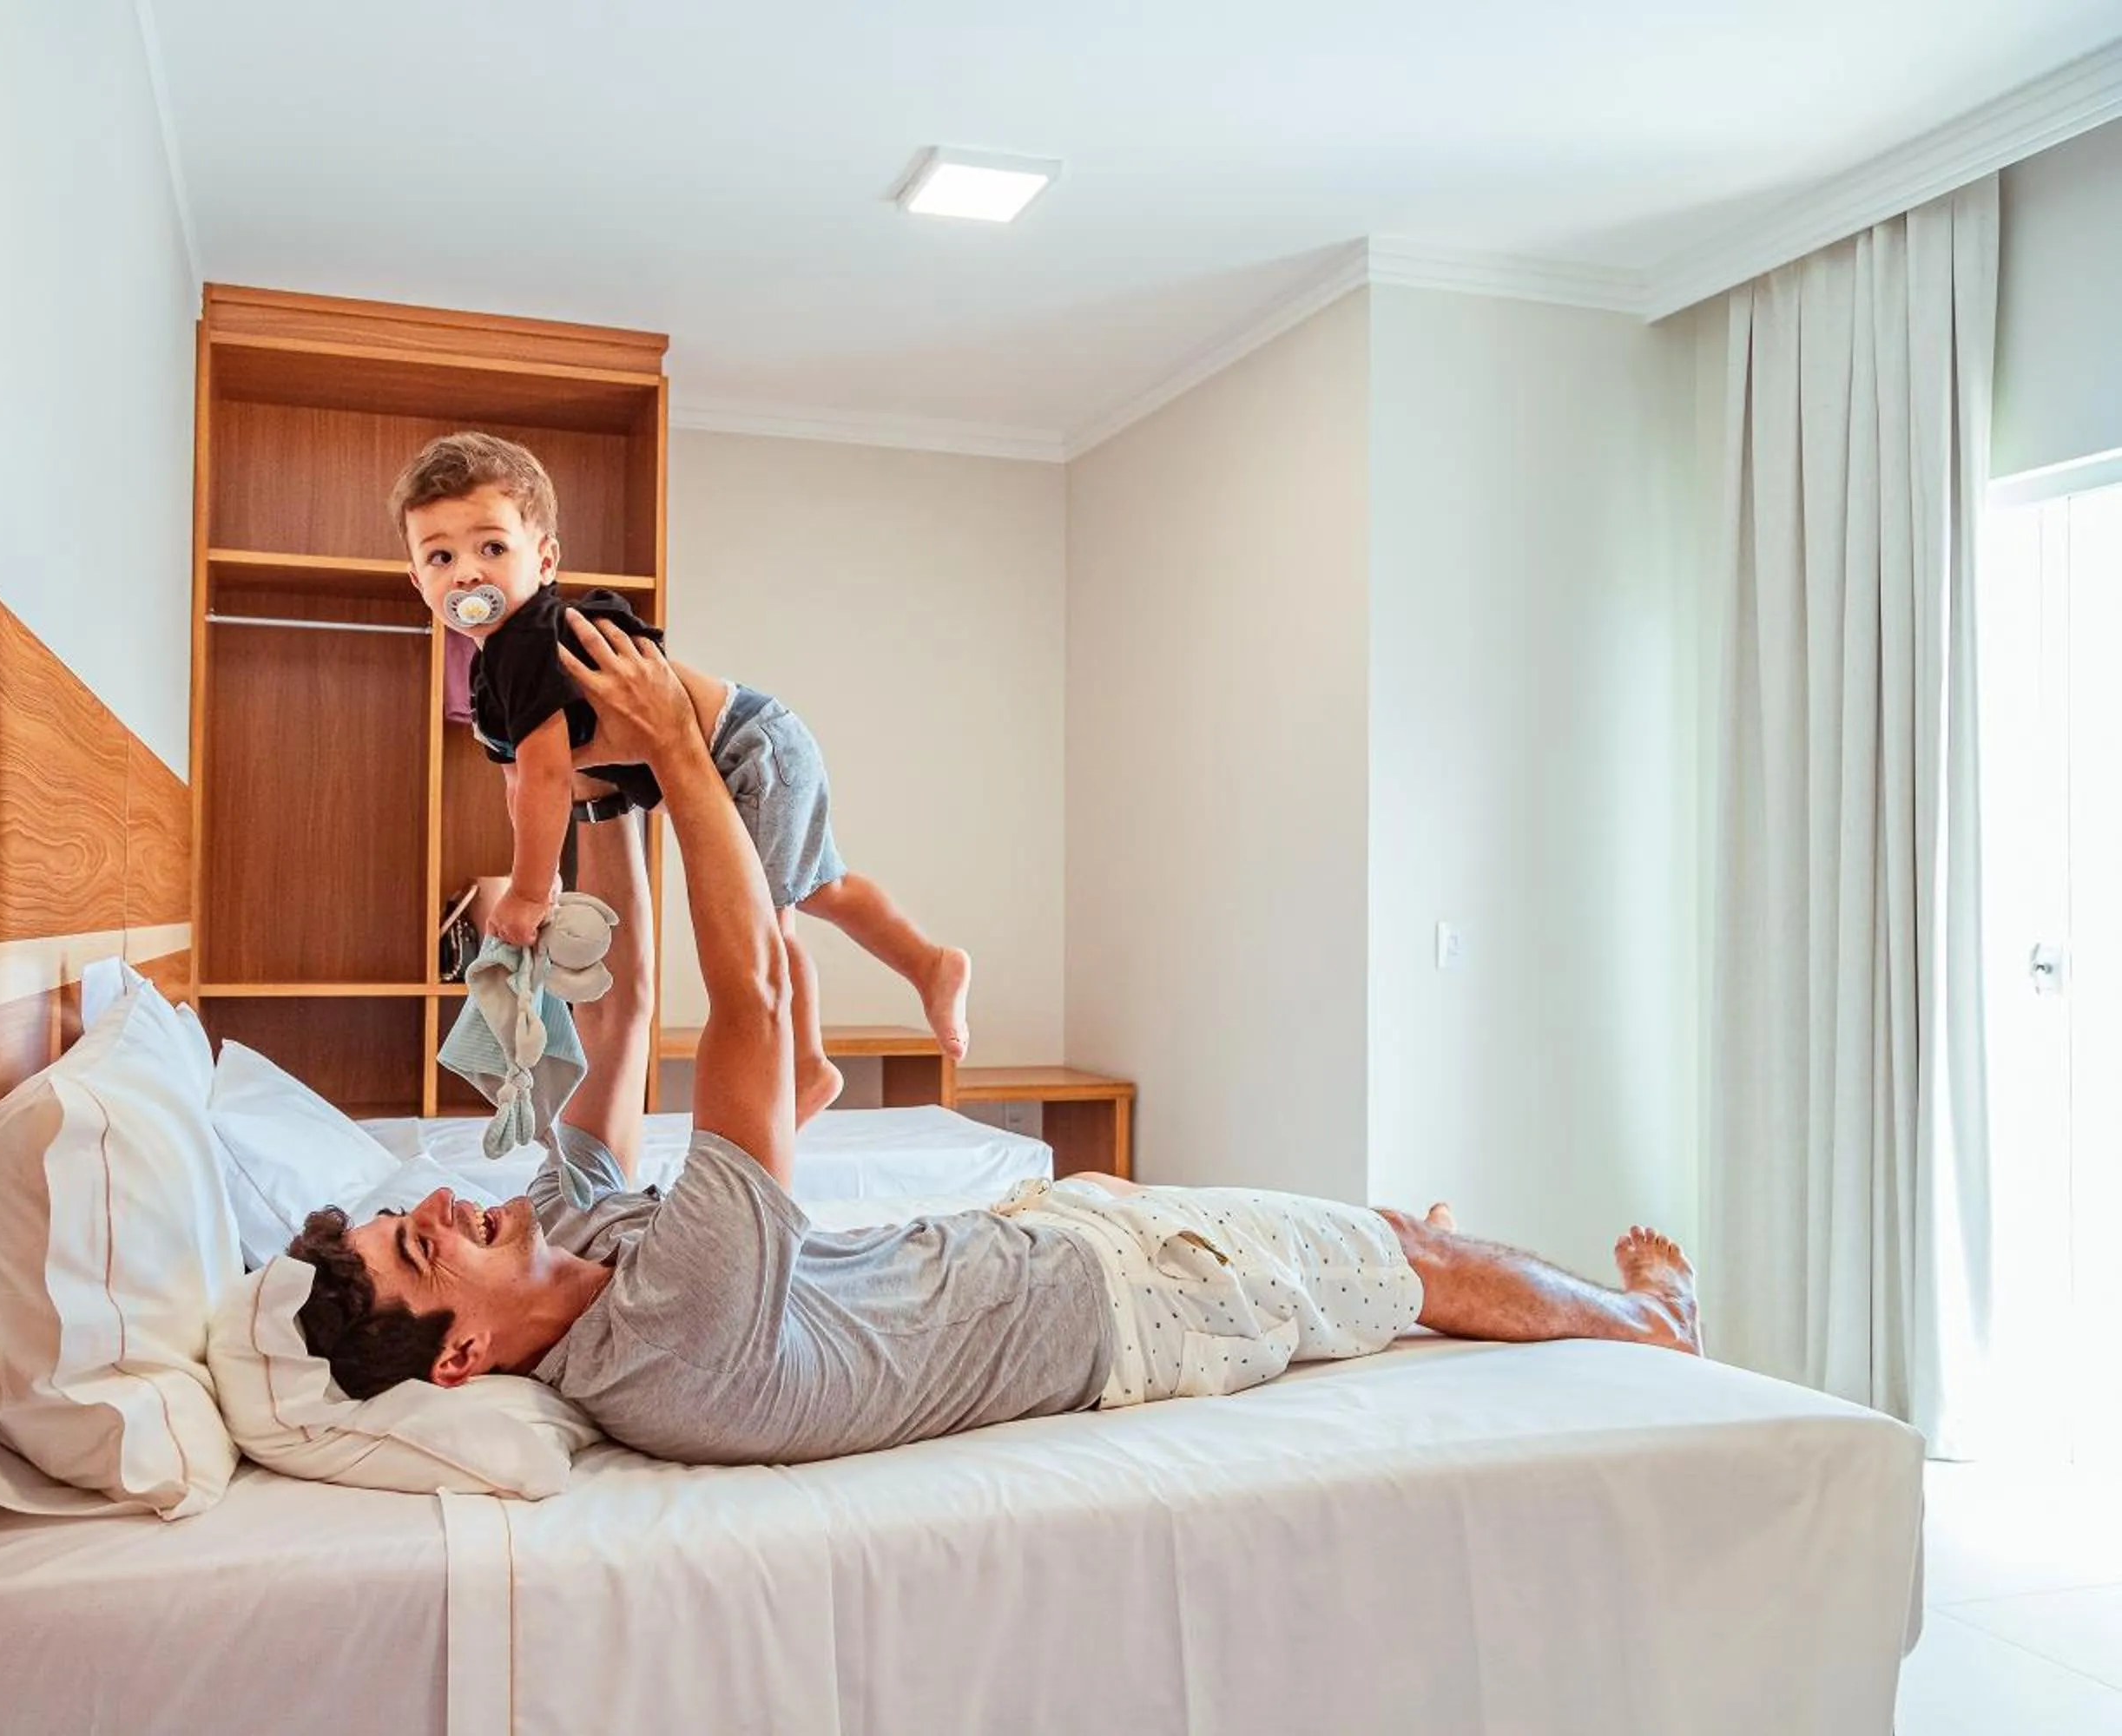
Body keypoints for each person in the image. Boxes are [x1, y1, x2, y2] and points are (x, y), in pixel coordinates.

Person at [288, 610, 1702, 1467]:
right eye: (429, 1248)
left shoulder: (577, 1239)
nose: (451, 1205)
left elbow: (636, 1013)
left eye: (415, 1212)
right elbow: (761, 1010)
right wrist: (672, 755)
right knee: (1408, 1248)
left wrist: (600, 806)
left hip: (1055, 1234)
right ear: (464, 1355)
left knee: (1387, 1249)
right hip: (1128, 1297)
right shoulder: (669, 1346)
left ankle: (1412, 1276)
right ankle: (1648, 1320)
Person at [391, 431, 971, 1125]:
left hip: (745, 748)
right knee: (820, 892)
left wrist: (529, 889)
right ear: (417, 581)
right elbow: (523, 784)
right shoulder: (493, 670)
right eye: (441, 557)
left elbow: (546, 778)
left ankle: (813, 1061)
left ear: (543, 559)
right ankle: (925, 965)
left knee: (767, 920)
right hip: (760, 742)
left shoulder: (528, 642)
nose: (467, 575)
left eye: (492, 548)